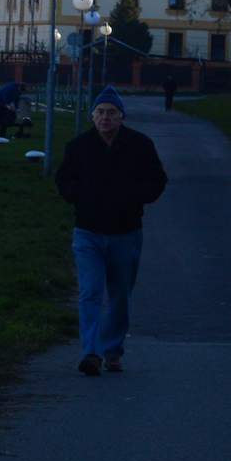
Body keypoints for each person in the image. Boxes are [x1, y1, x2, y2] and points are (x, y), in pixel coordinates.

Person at [55, 86, 168, 376]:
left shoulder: (139, 145)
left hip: (125, 232)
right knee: (90, 292)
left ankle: (113, 349)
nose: (105, 118)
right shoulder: (79, 147)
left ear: (121, 117)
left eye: (111, 113)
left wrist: (135, 197)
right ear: (92, 116)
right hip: (88, 232)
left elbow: (157, 179)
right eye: (100, 112)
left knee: (119, 295)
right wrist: (79, 196)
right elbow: (64, 180)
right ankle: (90, 352)